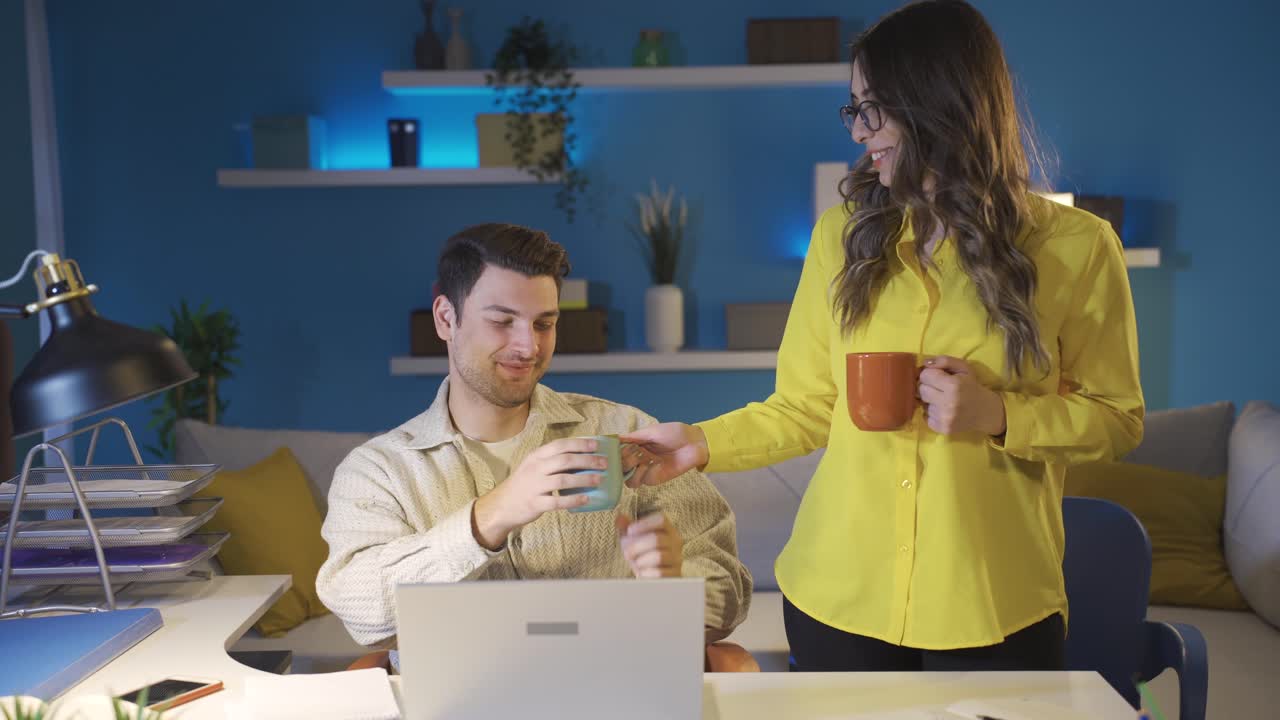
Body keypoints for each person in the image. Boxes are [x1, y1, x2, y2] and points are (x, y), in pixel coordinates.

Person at [623, 0, 1143, 672]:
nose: (860, 132)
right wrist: (695, 443)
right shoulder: (839, 238)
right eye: (855, 109)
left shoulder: (1078, 248)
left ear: (937, 101)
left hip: (993, 602)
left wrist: (1000, 415)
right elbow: (806, 406)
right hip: (839, 593)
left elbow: (1118, 419)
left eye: (874, 108)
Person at [316, 223, 753, 668]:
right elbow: (363, 615)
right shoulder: (380, 470)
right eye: (502, 321)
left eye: (544, 323)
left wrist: (672, 588)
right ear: (446, 318)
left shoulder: (626, 431)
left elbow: (730, 594)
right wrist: (494, 514)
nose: (528, 346)